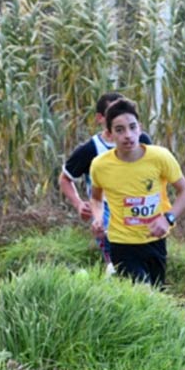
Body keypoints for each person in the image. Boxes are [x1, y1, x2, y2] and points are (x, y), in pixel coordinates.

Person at [89, 98, 185, 286]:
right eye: (119, 130)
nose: (128, 135)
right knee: (141, 289)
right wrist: (98, 218)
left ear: (140, 128)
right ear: (110, 134)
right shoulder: (100, 165)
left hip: (155, 240)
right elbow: (96, 198)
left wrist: (167, 218)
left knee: (155, 294)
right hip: (121, 243)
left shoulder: (160, 157)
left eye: (132, 127)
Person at [58, 92, 153, 272]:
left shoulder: (142, 141)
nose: (120, 117)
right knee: (119, 258)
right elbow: (65, 178)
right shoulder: (91, 149)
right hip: (107, 208)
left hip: (138, 206)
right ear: (101, 119)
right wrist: (79, 204)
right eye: (113, 113)